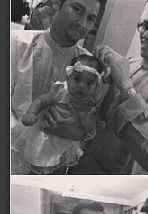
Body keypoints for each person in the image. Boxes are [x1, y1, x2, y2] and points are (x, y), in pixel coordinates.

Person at [71, 0, 148, 174]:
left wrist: (126, 86)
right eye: (144, 26)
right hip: (82, 162)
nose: (145, 34)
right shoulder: (131, 63)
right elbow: (102, 116)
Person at [11, 0, 102, 160]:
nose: (83, 24)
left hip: (55, 161)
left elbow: (92, 119)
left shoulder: (89, 66)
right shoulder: (15, 42)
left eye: (90, 19)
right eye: (77, 10)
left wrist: (77, 132)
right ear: (57, 5)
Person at [12, 53, 105, 174]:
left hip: (66, 142)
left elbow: (89, 126)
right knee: (39, 163)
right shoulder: (61, 91)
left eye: (89, 83)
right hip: (46, 138)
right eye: (77, 79)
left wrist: (88, 126)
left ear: (96, 86)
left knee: (60, 167)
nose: (82, 86)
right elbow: (41, 100)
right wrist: (31, 113)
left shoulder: (91, 104)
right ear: (68, 78)